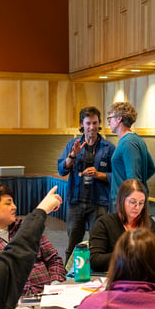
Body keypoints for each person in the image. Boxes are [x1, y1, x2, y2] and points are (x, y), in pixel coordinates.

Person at [57, 106, 115, 262]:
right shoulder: (72, 144)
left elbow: (115, 176)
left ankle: (95, 273)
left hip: (98, 203)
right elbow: (62, 170)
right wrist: (72, 156)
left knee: (98, 243)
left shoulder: (108, 148)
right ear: (82, 124)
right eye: (88, 123)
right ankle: (68, 274)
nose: (92, 127)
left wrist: (99, 174)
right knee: (73, 244)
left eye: (95, 123)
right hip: (76, 203)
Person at [89, 179, 155, 272]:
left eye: (141, 203)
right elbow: (95, 261)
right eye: (133, 202)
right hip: (116, 278)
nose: (137, 207)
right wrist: (129, 255)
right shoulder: (104, 223)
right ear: (122, 200)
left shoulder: (148, 222)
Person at [107, 102, 155, 208]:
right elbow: (151, 169)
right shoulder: (135, 140)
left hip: (125, 202)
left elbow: (133, 178)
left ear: (119, 119)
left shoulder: (128, 143)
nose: (108, 123)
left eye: (109, 119)